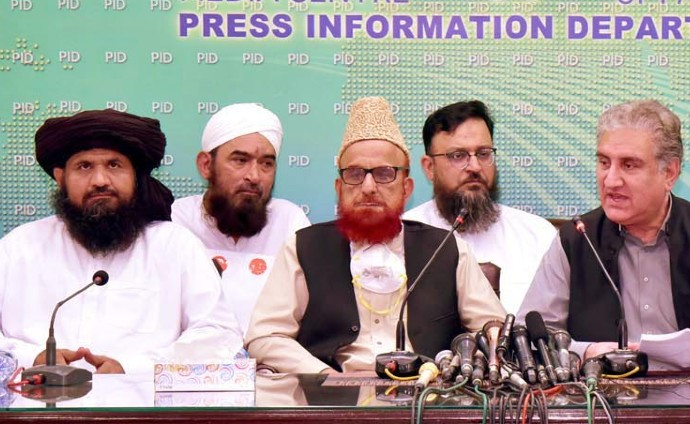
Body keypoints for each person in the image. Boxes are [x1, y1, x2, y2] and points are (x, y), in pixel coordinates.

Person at [518, 99, 690, 374]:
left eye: (629, 165)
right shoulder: (576, 239)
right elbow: (530, 334)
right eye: (603, 162)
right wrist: (584, 352)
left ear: (669, 172)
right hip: (601, 402)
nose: (610, 180)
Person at [245, 97, 506, 373]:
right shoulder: (304, 248)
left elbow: (495, 332)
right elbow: (265, 336)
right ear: (339, 187)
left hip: (426, 402)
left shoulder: (446, 249)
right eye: (355, 174)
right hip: (332, 406)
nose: (368, 187)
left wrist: (452, 370)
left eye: (384, 173)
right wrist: (324, 377)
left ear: (406, 188)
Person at [0, 109, 242, 374]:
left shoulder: (175, 246)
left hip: (142, 410)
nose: (100, 181)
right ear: (61, 178)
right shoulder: (19, 247)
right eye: (84, 166)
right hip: (38, 410)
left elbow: (219, 335)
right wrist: (33, 357)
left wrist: (132, 368)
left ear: (136, 177)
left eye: (114, 165)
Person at [403, 100, 555, 313]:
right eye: (458, 156)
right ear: (429, 168)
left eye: (483, 154)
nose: (474, 167)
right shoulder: (405, 235)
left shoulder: (537, 235)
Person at [171, 103, 310, 331]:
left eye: (266, 164)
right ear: (206, 165)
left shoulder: (290, 222)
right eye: (240, 160)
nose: (254, 176)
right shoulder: (177, 221)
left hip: (272, 362)